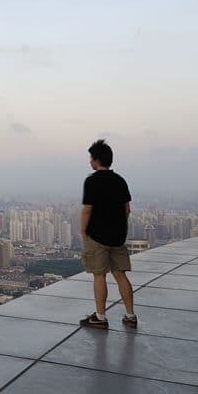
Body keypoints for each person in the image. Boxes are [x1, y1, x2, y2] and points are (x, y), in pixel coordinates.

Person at [78, 139, 136, 329]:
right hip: (118, 236)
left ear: (96, 160)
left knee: (99, 275)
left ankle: (101, 317)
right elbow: (127, 209)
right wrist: (117, 226)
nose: (89, 162)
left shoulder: (92, 181)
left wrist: (83, 230)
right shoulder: (120, 181)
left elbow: (87, 210)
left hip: (98, 236)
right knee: (120, 275)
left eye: (91, 158)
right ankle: (130, 315)